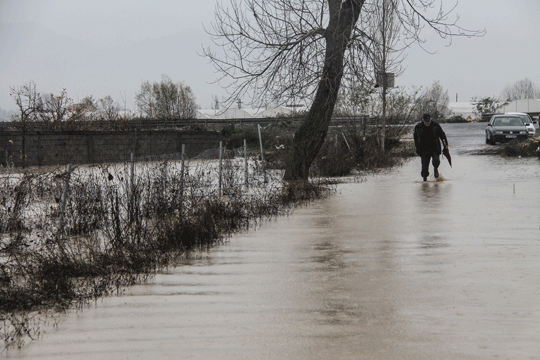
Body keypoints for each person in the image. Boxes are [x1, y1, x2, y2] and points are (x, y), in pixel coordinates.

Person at [413, 113, 448, 181]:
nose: (427, 123)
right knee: (424, 167)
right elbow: (415, 139)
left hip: (435, 147)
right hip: (424, 148)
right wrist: (417, 148)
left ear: (430, 119)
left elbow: (442, 136)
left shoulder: (436, 125)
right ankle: (425, 181)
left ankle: (435, 169)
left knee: (436, 161)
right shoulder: (418, 127)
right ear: (423, 120)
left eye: (428, 121)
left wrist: (445, 145)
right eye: (426, 121)